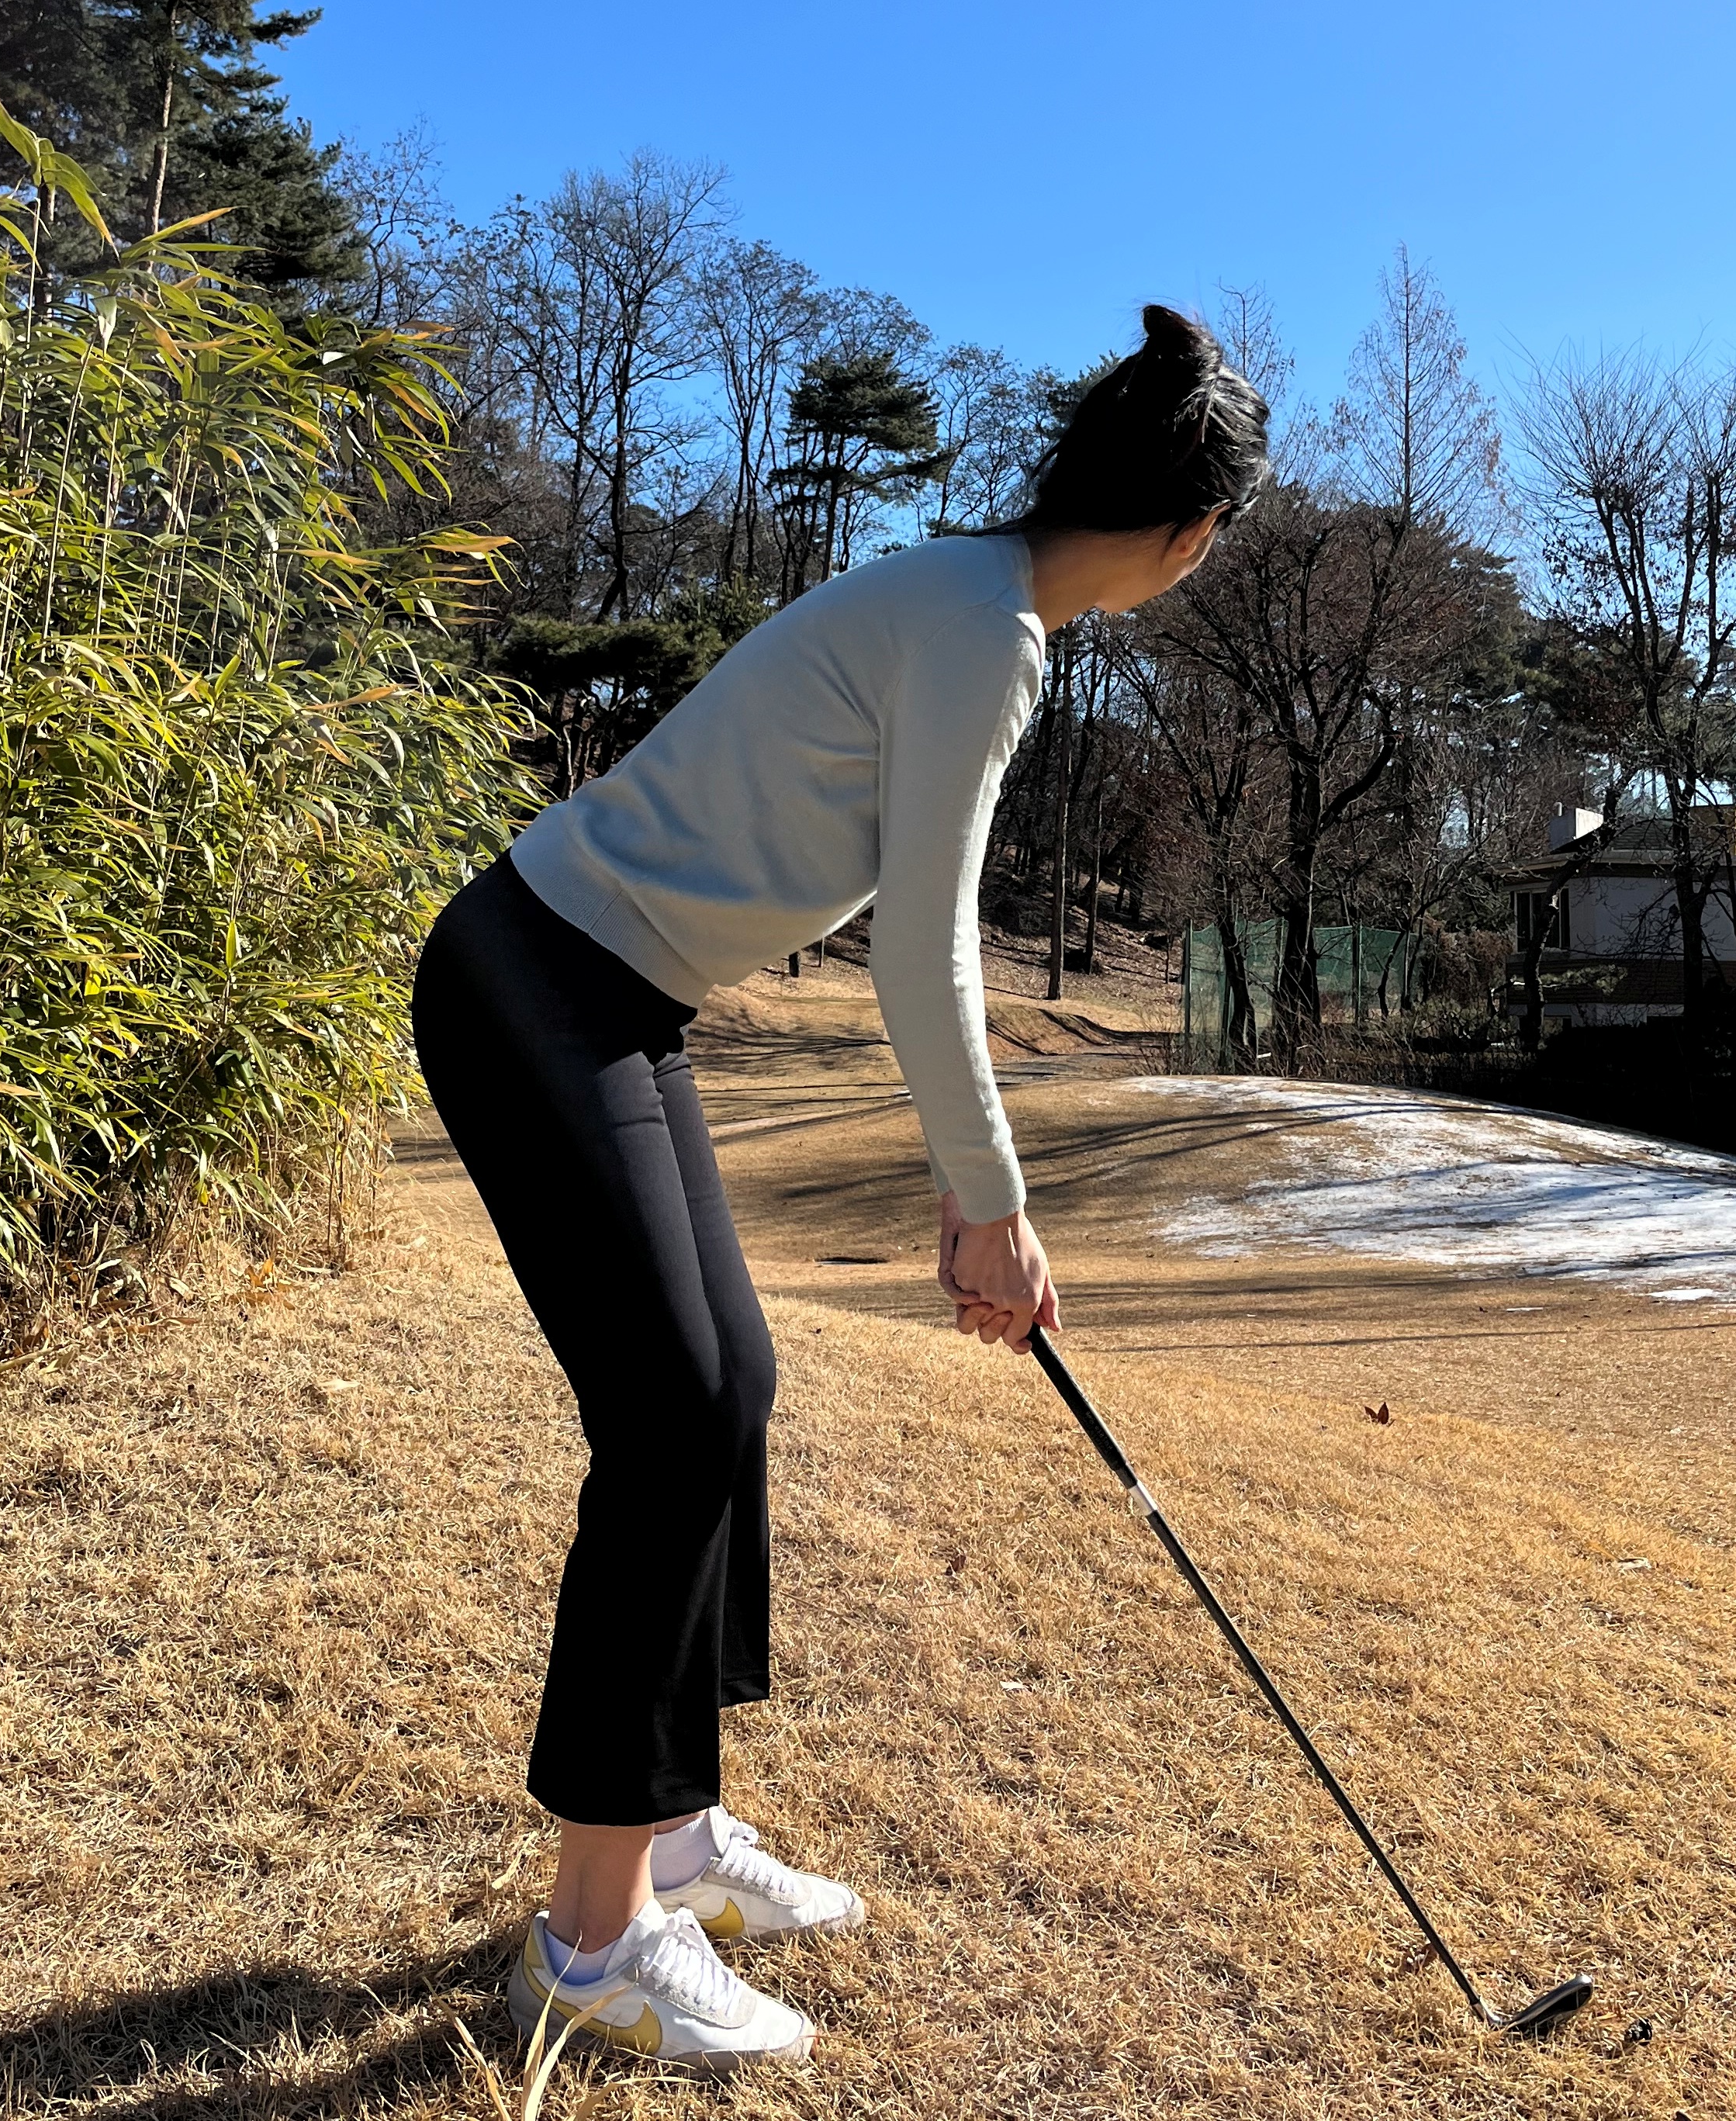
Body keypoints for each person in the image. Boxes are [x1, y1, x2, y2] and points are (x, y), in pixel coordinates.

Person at [410, 304, 1270, 2073]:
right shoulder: (987, 635)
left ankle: (666, 1833)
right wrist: (991, 1204)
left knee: (733, 1384)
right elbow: (927, 952)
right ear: (1192, 538)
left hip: (596, 986)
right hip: (536, 978)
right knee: (673, 1409)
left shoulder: (967, 594)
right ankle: (588, 1946)